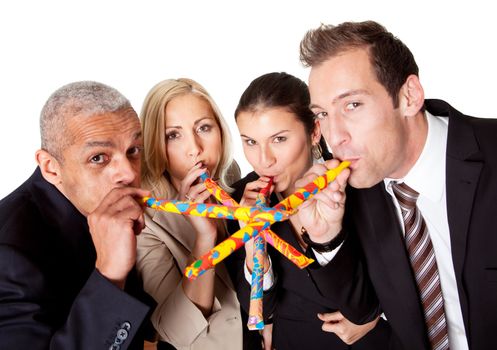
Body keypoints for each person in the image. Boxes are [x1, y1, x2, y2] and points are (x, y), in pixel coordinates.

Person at [298, 20, 497, 350]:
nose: (335, 137)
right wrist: (325, 235)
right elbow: (361, 312)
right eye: (322, 114)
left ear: (409, 96)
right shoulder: (348, 194)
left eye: (352, 105)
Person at [227, 72, 391, 349]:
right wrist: (256, 253)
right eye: (250, 142)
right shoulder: (239, 203)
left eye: (279, 139)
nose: (263, 160)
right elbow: (260, 313)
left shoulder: (359, 181)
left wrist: (375, 316)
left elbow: (406, 276)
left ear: (314, 131)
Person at [0, 81, 154, 349]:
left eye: (133, 150)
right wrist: (109, 275)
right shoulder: (10, 253)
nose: (129, 173)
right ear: (50, 168)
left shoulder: (109, 211)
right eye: (98, 158)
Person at [137, 78, 258, 350]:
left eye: (204, 128)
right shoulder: (146, 221)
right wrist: (204, 237)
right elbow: (175, 330)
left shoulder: (235, 180)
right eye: (173, 135)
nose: (195, 148)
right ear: (156, 145)